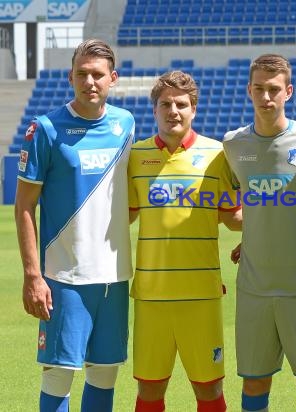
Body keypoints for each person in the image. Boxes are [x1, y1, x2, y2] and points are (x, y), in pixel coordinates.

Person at [14, 39, 135, 412]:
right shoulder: (46, 130)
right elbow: (23, 207)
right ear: (70, 77)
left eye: (97, 74)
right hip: (64, 276)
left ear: (112, 78)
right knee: (59, 374)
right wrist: (33, 276)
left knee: (104, 373)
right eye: (81, 74)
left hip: (114, 277)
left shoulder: (125, 124)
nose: (90, 82)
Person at [223, 54, 296, 412]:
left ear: (289, 91)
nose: (266, 97)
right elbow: (231, 209)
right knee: (254, 381)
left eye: (274, 89)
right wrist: (254, 230)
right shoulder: (233, 144)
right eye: (259, 89)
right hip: (254, 286)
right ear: (248, 91)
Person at [128, 70, 242, 412]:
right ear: (155, 110)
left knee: (209, 391)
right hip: (151, 295)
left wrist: (270, 228)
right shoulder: (135, 156)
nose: (173, 111)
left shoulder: (218, 155)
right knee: (149, 391)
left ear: (193, 109)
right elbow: (122, 217)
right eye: (165, 104)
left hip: (201, 295)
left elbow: (233, 217)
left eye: (181, 104)